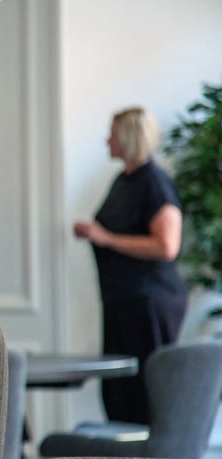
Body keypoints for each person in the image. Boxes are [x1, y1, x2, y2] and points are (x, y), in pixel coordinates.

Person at [74, 106, 188, 425]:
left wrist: (107, 238)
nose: (107, 140)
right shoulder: (124, 181)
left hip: (149, 302)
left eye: (112, 134)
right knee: (120, 393)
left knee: (146, 393)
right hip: (122, 301)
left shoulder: (155, 183)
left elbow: (167, 246)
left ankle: (152, 456)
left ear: (126, 137)